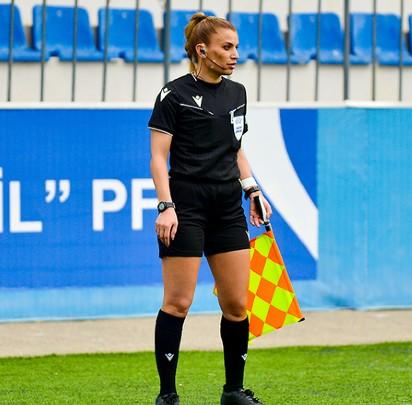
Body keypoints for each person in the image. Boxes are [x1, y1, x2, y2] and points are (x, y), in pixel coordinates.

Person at [148, 12, 272, 405]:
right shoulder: (173, 95)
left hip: (227, 207)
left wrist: (252, 189)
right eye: (227, 47)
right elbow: (158, 157)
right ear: (202, 51)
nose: (235, 54)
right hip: (186, 207)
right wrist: (166, 206)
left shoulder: (237, 93)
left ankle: (233, 391)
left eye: (236, 47)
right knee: (178, 303)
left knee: (236, 305)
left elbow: (235, 149)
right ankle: (168, 395)